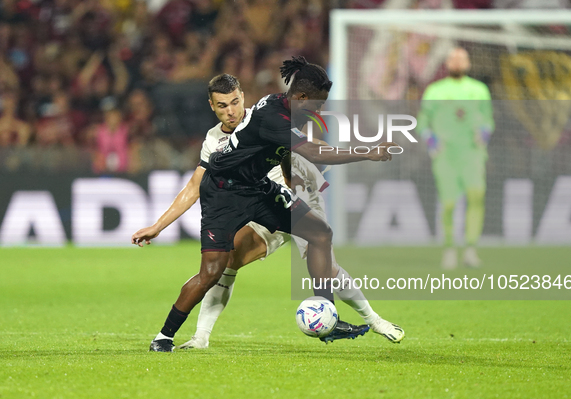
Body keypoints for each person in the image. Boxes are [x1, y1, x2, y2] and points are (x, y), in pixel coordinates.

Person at [133, 56, 397, 352]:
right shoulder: (272, 117)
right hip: (223, 194)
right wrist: (368, 152)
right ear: (301, 97)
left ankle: (327, 314)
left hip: (258, 188)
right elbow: (313, 153)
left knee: (320, 233)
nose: (320, 109)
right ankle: (164, 336)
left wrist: (290, 177)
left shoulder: (278, 105)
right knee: (212, 271)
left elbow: (286, 149)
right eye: (318, 104)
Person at [417, 48, 494, 269]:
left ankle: (470, 250)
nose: (458, 62)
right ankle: (450, 248)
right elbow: (422, 122)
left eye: (462, 59)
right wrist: (431, 140)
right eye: (453, 58)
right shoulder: (435, 90)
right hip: (446, 155)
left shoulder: (479, 90)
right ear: (448, 63)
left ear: (468, 64)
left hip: (472, 153)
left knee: (476, 197)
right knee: (449, 203)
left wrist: (485, 133)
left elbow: (488, 120)